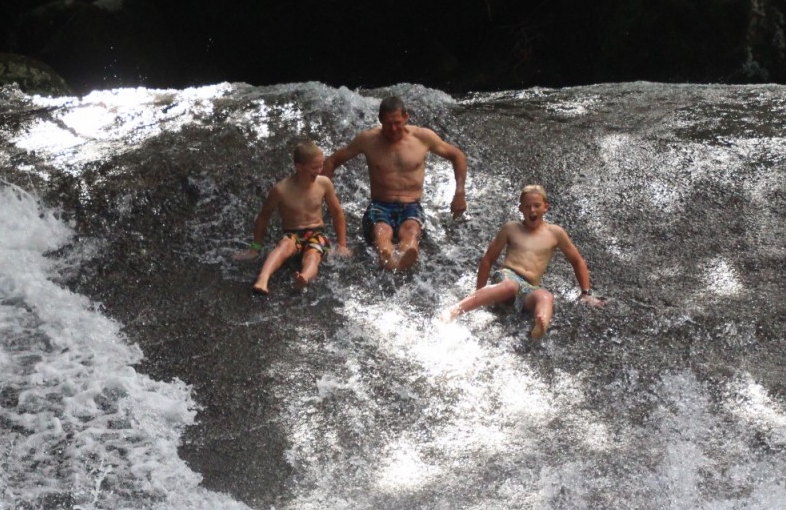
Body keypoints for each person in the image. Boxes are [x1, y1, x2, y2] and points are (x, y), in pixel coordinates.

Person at [322, 95, 467, 271]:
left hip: (411, 204)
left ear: (406, 116)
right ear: (380, 120)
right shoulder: (367, 140)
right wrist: (323, 197)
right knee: (382, 232)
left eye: (397, 122)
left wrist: (459, 193)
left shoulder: (423, 137)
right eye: (388, 123)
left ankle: (405, 255)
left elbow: (457, 155)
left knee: (411, 230)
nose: (393, 128)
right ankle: (387, 254)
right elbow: (332, 161)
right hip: (380, 204)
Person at [440, 184, 605, 338]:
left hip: (530, 287)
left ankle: (540, 326)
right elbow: (487, 260)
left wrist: (586, 293)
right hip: (507, 277)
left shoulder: (556, 233)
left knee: (545, 296)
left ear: (546, 207)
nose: (532, 210)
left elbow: (577, 261)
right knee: (511, 286)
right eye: (527, 206)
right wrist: (479, 293)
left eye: (536, 206)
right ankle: (454, 311)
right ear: (520, 209)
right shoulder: (511, 228)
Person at [237, 140, 351, 294]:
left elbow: (337, 212)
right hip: (292, 234)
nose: (319, 170)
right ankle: (263, 279)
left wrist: (342, 244)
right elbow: (264, 217)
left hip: (317, 233)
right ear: (299, 167)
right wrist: (255, 247)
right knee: (284, 246)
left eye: (321, 165)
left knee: (313, 254)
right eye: (314, 167)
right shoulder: (281, 190)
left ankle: (304, 277)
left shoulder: (324, 183)